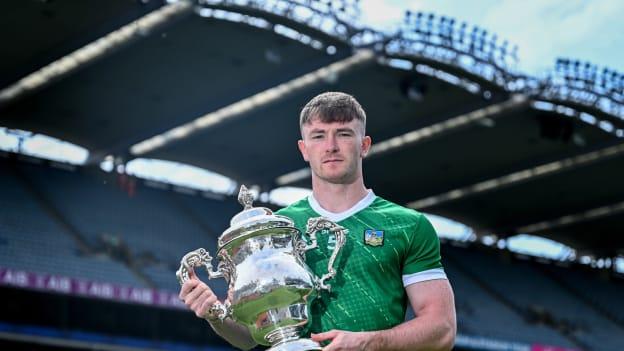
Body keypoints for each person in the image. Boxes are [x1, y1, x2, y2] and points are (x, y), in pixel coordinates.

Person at [179, 92, 456, 350]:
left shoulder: (408, 226)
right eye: (319, 136)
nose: (331, 146)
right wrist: (214, 313)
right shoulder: (276, 228)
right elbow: (249, 338)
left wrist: (368, 343)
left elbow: (442, 329)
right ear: (304, 149)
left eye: (344, 134)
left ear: (364, 145)